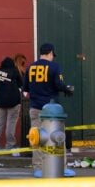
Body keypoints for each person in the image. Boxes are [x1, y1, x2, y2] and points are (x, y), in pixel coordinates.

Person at [24, 43, 75, 178]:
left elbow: (25, 89)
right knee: (58, 138)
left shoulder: (30, 68)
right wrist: (67, 89)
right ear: (51, 53)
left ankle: (38, 168)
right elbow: (58, 84)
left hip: (35, 107)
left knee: (37, 139)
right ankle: (61, 168)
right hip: (53, 111)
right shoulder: (54, 67)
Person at [0, 56, 24, 154]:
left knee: (0, 121)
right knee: (11, 122)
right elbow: (20, 84)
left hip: (0, 101)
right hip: (13, 101)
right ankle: (10, 144)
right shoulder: (14, 71)